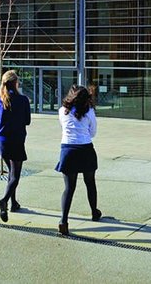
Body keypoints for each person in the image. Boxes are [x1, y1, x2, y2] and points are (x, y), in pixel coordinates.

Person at [55, 84, 101, 235]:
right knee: (90, 183)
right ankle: (94, 212)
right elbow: (93, 132)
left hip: (68, 150)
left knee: (69, 188)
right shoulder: (89, 112)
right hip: (85, 149)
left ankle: (63, 220)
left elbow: (62, 127)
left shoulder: (62, 111)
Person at [0, 69, 31, 223]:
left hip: (2, 141)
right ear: (16, 83)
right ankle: (4, 201)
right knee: (15, 176)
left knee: (10, 172)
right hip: (16, 140)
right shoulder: (23, 100)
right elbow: (27, 121)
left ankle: (14, 203)